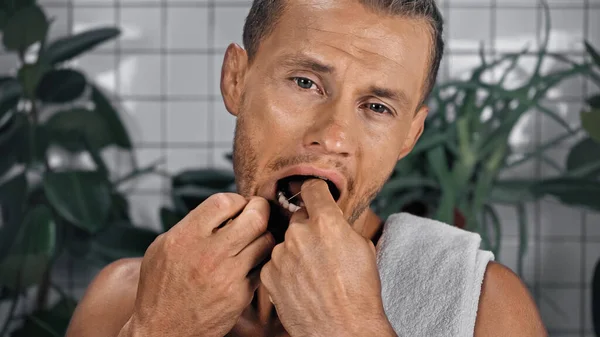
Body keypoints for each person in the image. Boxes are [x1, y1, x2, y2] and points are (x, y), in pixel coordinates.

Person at [66, 0, 548, 336]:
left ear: (409, 136)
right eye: (305, 82)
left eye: (377, 107)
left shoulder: (484, 307)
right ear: (236, 79)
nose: (332, 136)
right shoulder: (123, 302)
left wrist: (351, 330)